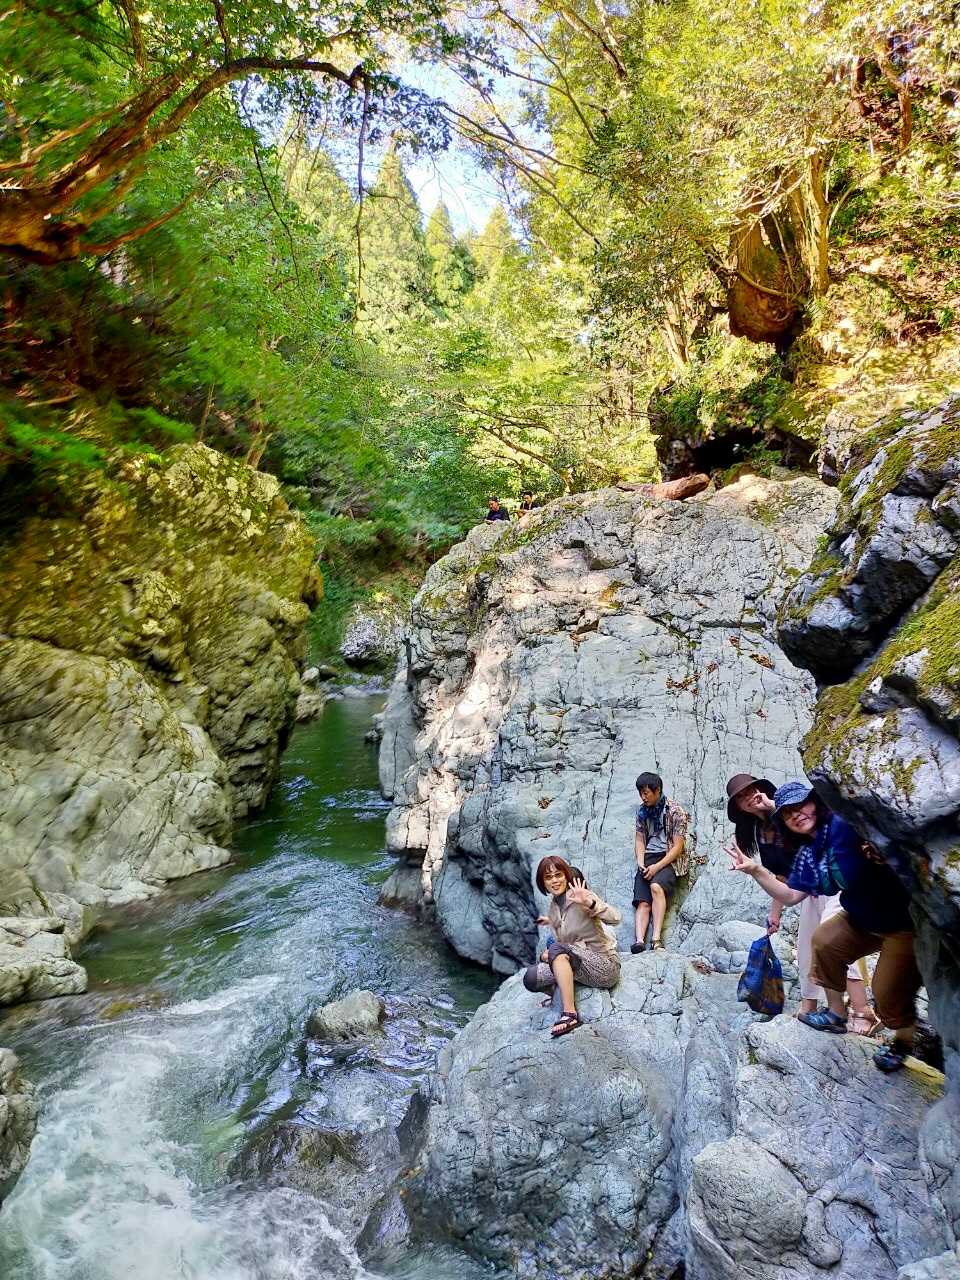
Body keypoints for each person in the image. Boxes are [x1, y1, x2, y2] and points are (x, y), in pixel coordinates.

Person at [729, 780, 921, 1073]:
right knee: (824, 941)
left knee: (887, 995)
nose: (796, 815)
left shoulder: (843, 825)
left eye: (800, 805)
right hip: (862, 917)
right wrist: (756, 871)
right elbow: (791, 895)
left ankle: (903, 1041)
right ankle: (836, 1013)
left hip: (901, 923)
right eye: (787, 814)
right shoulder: (809, 852)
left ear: (816, 803)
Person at [724, 773, 876, 1032]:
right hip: (809, 887)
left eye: (750, 790)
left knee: (832, 941)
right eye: (740, 798)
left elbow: (805, 818)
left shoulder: (789, 812)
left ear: (762, 789)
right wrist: (775, 913)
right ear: (738, 807)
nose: (748, 798)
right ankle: (811, 1005)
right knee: (806, 947)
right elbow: (782, 876)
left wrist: (773, 805)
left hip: (834, 880)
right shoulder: (762, 832)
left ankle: (861, 1010)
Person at [524, 855, 622, 1038]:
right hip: (578, 964)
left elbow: (615, 918)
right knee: (530, 978)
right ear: (543, 883)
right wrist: (547, 955)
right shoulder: (554, 907)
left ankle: (570, 1014)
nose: (554, 881)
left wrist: (590, 903)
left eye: (558, 875)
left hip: (604, 965)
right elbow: (563, 944)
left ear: (566, 876)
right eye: (548, 877)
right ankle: (558, 992)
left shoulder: (581, 897)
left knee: (555, 949)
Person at [632, 772, 688, 953]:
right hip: (649, 856)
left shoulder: (675, 811)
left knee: (656, 887)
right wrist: (641, 862)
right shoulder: (642, 811)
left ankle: (656, 940)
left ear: (657, 791)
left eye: (646, 793)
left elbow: (677, 847)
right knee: (642, 901)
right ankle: (639, 941)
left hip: (669, 859)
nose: (643, 797)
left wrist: (657, 866)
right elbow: (639, 838)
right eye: (641, 793)